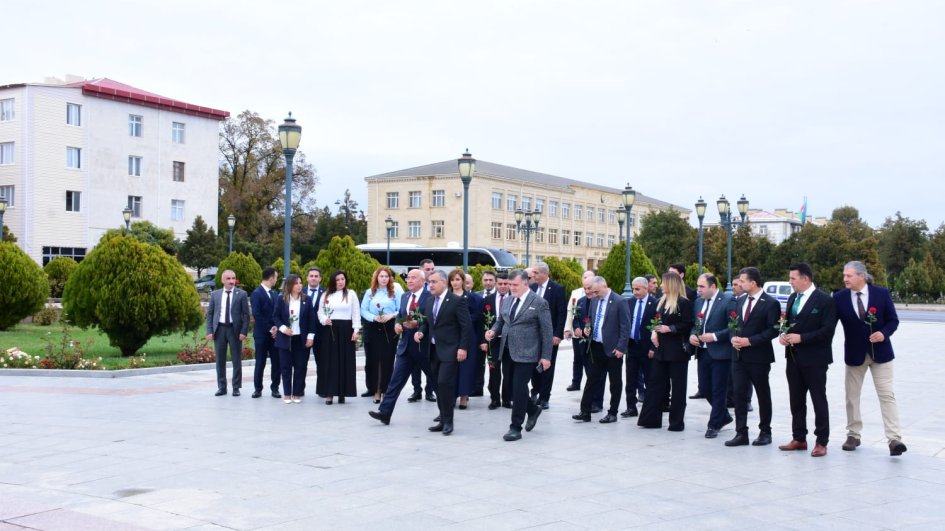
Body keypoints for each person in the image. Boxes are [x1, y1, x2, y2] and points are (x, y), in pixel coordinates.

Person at [833, 261, 906, 456]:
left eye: (848, 276)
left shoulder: (881, 294)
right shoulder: (839, 298)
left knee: (887, 396)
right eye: (844, 275)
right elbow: (828, 324)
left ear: (861, 276)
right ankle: (853, 435)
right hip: (854, 355)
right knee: (851, 396)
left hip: (881, 354)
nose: (844, 279)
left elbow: (893, 320)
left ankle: (894, 439)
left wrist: (884, 333)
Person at [486, 269, 553, 441]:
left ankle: (515, 427)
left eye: (514, 285)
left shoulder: (539, 302)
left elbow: (547, 332)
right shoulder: (508, 300)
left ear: (525, 283)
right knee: (512, 387)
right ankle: (532, 409)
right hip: (507, 350)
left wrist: (546, 356)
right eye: (509, 285)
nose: (511, 288)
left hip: (527, 353)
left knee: (517, 388)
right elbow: (501, 321)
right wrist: (493, 331)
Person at [777, 263, 836, 457]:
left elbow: (827, 331)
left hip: (815, 359)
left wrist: (802, 338)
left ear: (806, 279)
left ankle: (821, 441)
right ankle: (799, 437)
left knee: (818, 399)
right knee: (796, 399)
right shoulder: (793, 297)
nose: (790, 282)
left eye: (793, 278)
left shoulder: (824, 300)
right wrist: (784, 335)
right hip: (793, 357)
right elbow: (788, 323)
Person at [725, 267, 780, 447]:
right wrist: (733, 337)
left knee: (762, 394)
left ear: (753, 283)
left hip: (759, 356)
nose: (739, 284)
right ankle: (741, 432)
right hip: (738, 356)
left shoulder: (770, 303)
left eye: (742, 281)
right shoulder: (740, 301)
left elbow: (773, 330)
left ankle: (765, 431)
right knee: (739, 395)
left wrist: (750, 341)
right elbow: (733, 324)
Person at [368, 269, 430, 426]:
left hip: (423, 347)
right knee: (395, 381)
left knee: (436, 381)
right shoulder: (405, 296)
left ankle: (446, 413)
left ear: (422, 281)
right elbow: (402, 315)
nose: (409, 281)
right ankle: (385, 412)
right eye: (408, 278)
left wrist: (419, 326)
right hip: (406, 346)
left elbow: (431, 319)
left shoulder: (429, 297)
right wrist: (397, 324)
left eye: (413, 278)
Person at [414, 270, 472, 436]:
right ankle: (442, 419)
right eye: (429, 282)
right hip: (433, 350)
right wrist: (421, 331)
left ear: (443, 282)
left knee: (445, 384)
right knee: (438, 385)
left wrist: (463, 348)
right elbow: (427, 322)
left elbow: (466, 326)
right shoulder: (430, 300)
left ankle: (448, 421)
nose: (429, 285)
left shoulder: (456, 301)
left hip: (451, 350)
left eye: (433, 282)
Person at [637, 271, 694, 431]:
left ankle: (676, 423)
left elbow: (687, 324)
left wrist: (670, 328)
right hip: (660, 350)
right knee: (655, 384)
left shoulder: (684, 303)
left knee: (678, 388)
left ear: (671, 284)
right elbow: (656, 321)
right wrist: (655, 331)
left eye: (663, 282)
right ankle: (650, 419)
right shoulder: (661, 302)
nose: (660, 285)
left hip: (677, 351)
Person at [572, 277, 630, 424]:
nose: (595, 294)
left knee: (614, 382)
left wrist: (621, 347)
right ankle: (585, 411)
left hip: (613, 349)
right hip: (596, 346)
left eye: (597, 291)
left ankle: (612, 412)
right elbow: (590, 318)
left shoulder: (619, 301)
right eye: (593, 292)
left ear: (605, 286)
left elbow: (625, 326)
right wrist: (587, 327)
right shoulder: (595, 300)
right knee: (591, 380)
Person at [688, 273, 733, 438]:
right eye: (698, 286)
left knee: (718, 389)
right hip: (703, 351)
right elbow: (695, 325)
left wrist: (714, 336)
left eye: (702, 287)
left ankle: (714, 424)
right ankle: (724, 415)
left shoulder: (728, 301)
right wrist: (692, 335)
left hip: (721, 353)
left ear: (713, 286)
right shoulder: (698, 302)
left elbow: (734, 327)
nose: (698, 290)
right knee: (705, 388)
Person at [316, 270, 361, 404]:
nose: (341, 282)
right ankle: (329, 393)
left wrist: (356, 330)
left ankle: (343, 393)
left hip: (346, 330)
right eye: (337, 280)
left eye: (342, 279)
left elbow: (356, 313)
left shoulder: (351, 294)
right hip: (330, 330)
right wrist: (325, 320)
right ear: (333, 281)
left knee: (345, 361)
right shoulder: (326, 294)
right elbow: (320, 312)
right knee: (329, 362)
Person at [360, 266, 402, 404]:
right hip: (373, 327)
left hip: (389, 328)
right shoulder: (370, 292)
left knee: (387, 359)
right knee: (374, 360)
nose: (384, 279)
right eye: (381, 276)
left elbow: (401, 309)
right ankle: (376, 390)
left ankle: (385, 389)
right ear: (376, 277)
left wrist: (391, 315)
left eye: (386, 276)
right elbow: (363, 310)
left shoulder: (394, 292)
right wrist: (373, 317)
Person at [273, 274, 317, 403]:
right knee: (285, 367)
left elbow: (311, 320)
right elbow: (276, 317)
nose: (299, 285)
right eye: (296, 283)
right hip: (285, 338)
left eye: (300, 283)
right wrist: (283, 329)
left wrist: (310, 337)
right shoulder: (282, 299)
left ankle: (297, 393)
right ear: (290, 285)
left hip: (301, 338)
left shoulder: (306, 300)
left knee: (300, 367)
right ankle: (287, 393)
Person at [529, 261, 567, 410]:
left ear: (545, 273)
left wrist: (558, 334)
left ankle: (545, 397)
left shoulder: (557, 289)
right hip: (532, 335)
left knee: (547, 367)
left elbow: (561, 313)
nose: (533, 275)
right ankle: (535, 391)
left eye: (536, 273)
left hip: (550, 336)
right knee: (533, 365)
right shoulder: (531, 288)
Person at [206, 270, 250, 397]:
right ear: (222, 280)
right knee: (220, 360)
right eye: (229, 278)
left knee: (236, 360)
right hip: (219, 330)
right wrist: (209, 331)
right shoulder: (215, 294)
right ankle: (222, 387)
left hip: (234, 330)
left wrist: (243, 331)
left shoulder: (241, 294)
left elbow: (246, 315)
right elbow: (210, 314)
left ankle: (236, 387)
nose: (231, 281)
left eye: (233, 278)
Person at [622, 277, 656, 418]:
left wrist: (653, 348)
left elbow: (656, 326)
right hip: (632, 346)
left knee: (649, 379)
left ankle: (649, 408)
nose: (634, 292)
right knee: (630, 379)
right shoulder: (629, 302)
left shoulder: (655, 303)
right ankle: (631, 407)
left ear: (645, 288)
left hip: (647, 347)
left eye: (637, 289)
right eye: (633, 289)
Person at [456, 273, 486, 409]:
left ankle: (464, 396)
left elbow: (479, 318)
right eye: (455, 280)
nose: (465, 285)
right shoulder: (448, 297)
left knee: (466, 367)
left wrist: (462, 319)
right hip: (451, 336)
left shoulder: (476, 299)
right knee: (452, 367)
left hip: (469, 336)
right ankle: (452, 395)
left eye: (467, 282)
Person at [250, 267, 281, 399]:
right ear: (271, 278)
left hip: (275, 335)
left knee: (277, 362)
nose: (276, 280)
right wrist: (270, 328)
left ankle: (275, 388)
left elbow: (277, 313)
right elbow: (257, 314)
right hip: (262, 335)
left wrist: (276, 328)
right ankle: (258, 389)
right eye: (276, 277)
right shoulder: (257, 293)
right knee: (260, 362)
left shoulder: (274, 294)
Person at [483, 271, 511, 409]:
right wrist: (483, 339)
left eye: (506, 283)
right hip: (492, 341)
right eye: (500, 283)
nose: (503, 286)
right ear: (496, 284)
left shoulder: (514, 299)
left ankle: (507, 399)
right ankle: (494, 399)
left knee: (508, 370)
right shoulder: (488, 299)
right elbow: (482, 321)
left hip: (509, 341)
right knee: (494, 370)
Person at [564, 270, 596, 392]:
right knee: (577, 359)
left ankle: (590, 384)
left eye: (589, 277)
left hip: (591, 336)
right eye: (584, 277)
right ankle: (575, 382)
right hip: (577, 334)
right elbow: (572, 312)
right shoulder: (576, 293)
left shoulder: (597, 295)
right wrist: (570, 328)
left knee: (590, 363)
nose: (587, 290)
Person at [410, 259, 437, 403]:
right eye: (427, 269)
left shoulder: (433, 291)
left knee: (429, 362)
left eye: (432, 268)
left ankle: (429, 391)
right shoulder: (413, 289)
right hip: (412, 333)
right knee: (415, 364)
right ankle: (416, 390)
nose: (431, 271)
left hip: (428, 333)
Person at [304, 267, 325, 394]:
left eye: (316, 276)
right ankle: (299, 389)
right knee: (301, 363)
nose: (313, 278)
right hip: (303, 333)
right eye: (311, 275)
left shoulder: (326, 293)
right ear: (307, 277)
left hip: (321, 333)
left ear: (320, 278)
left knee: (321, 362)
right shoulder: (299, 292)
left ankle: (322, 389)